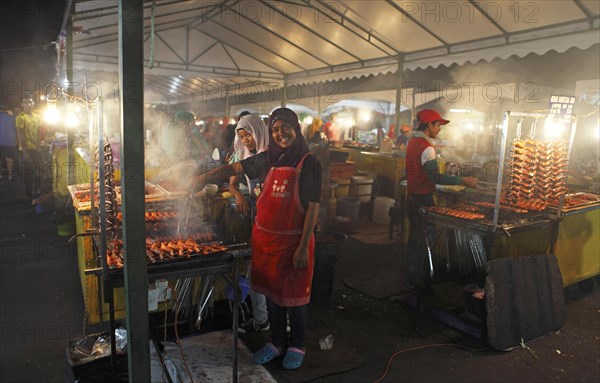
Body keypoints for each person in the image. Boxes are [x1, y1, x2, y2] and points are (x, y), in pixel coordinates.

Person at [192, 107, 322, 370]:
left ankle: (296, 344)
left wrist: (302, 248)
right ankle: (276, 342)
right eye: (275, 129)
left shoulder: (309, 162)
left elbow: (313, 207)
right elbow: (234, 168)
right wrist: (200, 178)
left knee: (294, 297)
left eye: (285, 127)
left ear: (296, 128)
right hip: (266, 240)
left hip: (295, 241)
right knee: (273, 293)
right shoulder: (266, 159)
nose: (280, 133)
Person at [404, 108, 477, 290]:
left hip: (411, 197)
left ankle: (411, 277)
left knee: (415, 237)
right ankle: (419, 281)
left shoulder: (413, 141)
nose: (439, 129)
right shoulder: (428, 147)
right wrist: (463, 180)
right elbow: (434, 177)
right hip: (423, 199)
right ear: (429, 125)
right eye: (438, 125)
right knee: (424, 239)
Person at [227, 114, 270, 334]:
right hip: (255, 212)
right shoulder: (240, 154)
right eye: (241, 136)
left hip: (273, 215)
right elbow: (232, 183)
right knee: (256, 265)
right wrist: (239, 196)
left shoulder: (272, 154)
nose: (245, 140)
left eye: (248, 135)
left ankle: (274, 317)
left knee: (270, 266)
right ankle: (262, 318)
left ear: (259, 131)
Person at [16, 96, 42, 198]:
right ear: (22, 105)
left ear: (33, 104)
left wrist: (39, 146)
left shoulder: (38, 117)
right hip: (26, 150)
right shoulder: (20, 118)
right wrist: (26, 153)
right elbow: (20, 136)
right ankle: (29, 193)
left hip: (36, 149)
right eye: (25, 103)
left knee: (39, 171)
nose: (28, 105)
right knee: (29, 173)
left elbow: (39, 133)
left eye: (30, 102)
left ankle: (38, 190)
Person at [0, 105, 17, 181]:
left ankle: (0, 175)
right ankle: (10, 175)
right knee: (9, 158)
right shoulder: (13, 116)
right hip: (10, 141)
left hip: (3, 140)